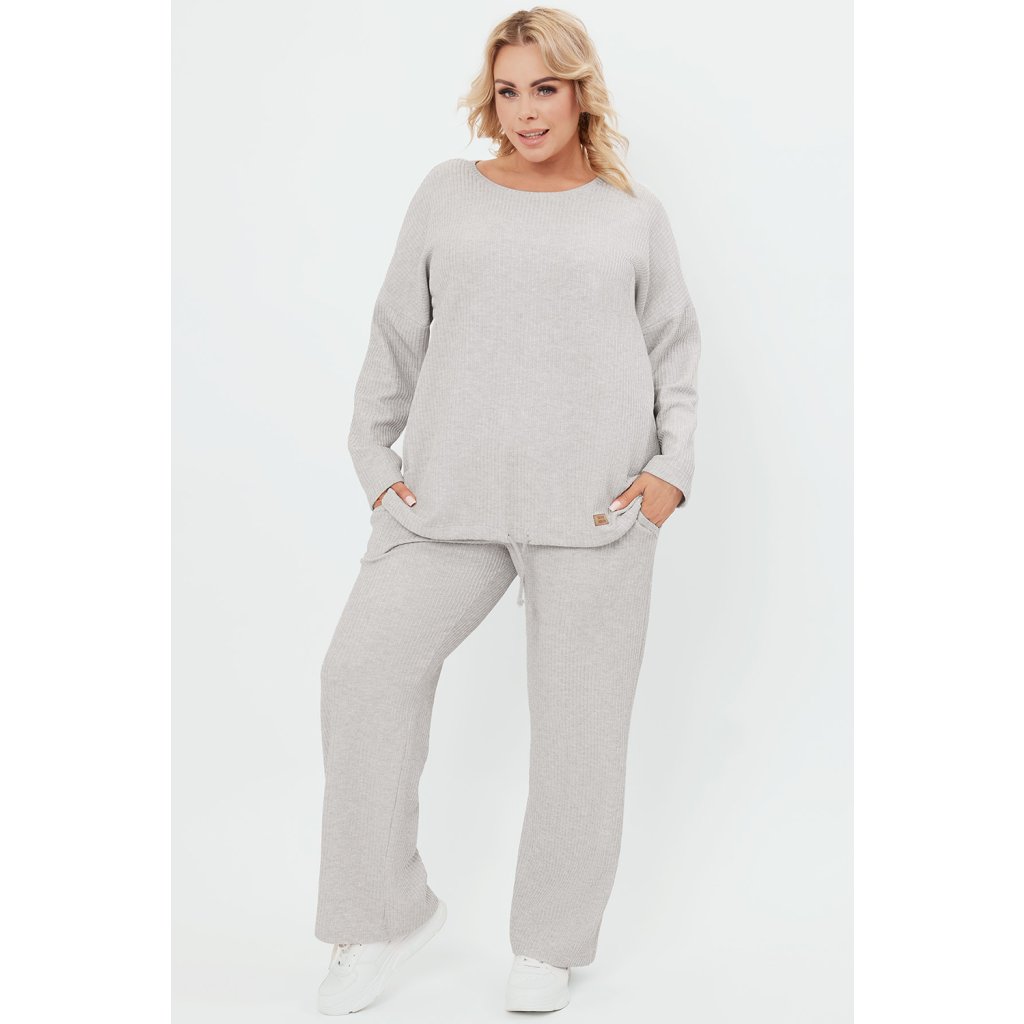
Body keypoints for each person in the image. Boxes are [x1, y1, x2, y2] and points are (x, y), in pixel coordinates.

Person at [314, 7, 701, 1015]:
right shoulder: (447, 193)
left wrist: (670, 470)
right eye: (508, 89)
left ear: (580, 93)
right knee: (361, 674)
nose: (525, 110)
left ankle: (550, 943)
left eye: (545, 88)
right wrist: (374, 460)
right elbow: (394, 334)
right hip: (446, 503)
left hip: (598, 512)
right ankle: (381, 916)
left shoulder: (631, 214)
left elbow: (674, 347)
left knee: (580, 732)